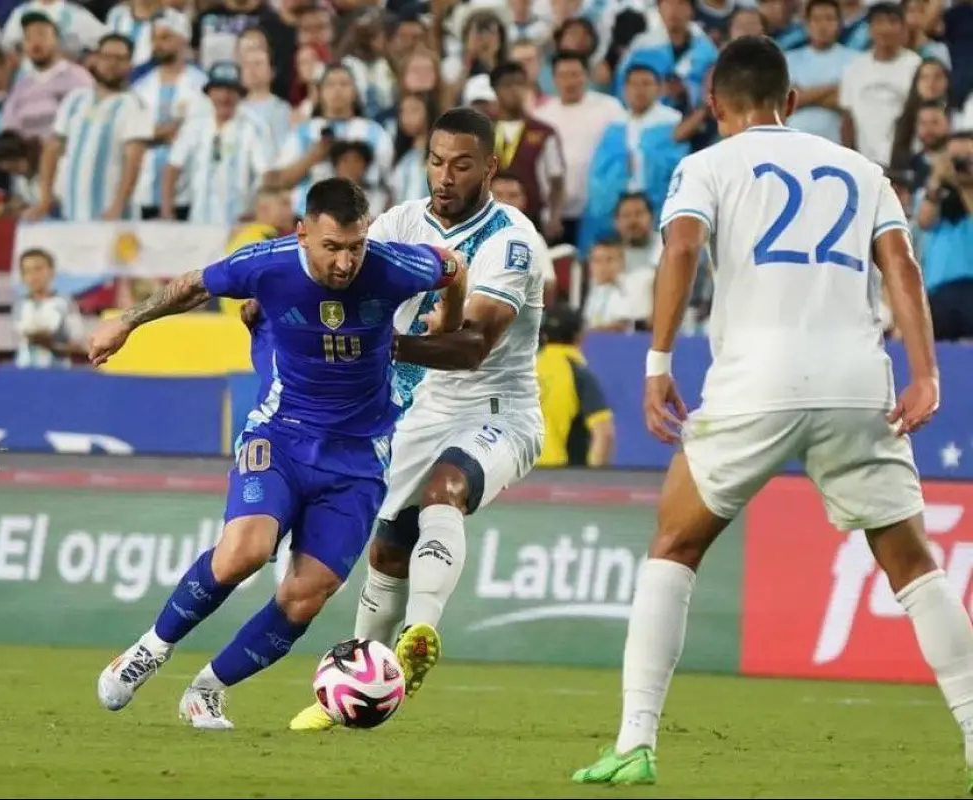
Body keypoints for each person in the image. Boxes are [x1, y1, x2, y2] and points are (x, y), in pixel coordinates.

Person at [571, 35, 969, 789]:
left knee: (674, 545)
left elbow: (682, 248)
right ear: (791, 102)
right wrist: (926, 375)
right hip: (858, 382)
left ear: (714, 105)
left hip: (758, 382)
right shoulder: (863, 171)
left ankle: (634, 741)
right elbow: (902, 267)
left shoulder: (706, 163)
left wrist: (658, 363)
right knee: (914, 564)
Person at [87, 177, 469, 730]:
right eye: (332, 247)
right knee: (245, 549)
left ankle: (206, 690)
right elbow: (195, 286)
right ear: (303, 234)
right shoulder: (268, 264)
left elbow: (453, 265)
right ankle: (148, 649)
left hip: (359, 457)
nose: (345, 263)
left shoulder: (393, 266)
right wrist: (126, 322)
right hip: (282, 435)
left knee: (305, 597)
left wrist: (450, 323)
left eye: (355, 247)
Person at [290, 107, 549, 731]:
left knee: (446, 492)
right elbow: (340, 280)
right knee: (385, 550)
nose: (444, 175)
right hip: (421, 409)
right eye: (436, 161)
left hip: (498, 409)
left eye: (462, 165)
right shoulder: (402, 222)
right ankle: (351, 687)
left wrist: (383, 346)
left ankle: (419, 634)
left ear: (491, 166)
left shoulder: (510, 240)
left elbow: (472, 347)